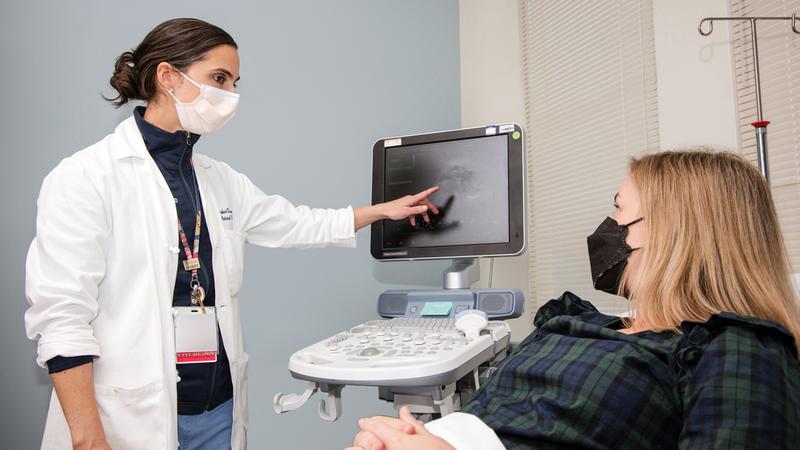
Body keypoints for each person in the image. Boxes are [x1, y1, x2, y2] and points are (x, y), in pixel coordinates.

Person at [24, 18, 439, 450]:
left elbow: (294, 223)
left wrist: (380, 211)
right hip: (127, 416)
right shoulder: (85, 177)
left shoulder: (217, 179)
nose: (230, 96)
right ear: (167, 77)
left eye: (235, 82)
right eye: (218, 79)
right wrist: (89, 440)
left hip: (219, 409)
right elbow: (61, 316)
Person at [348, 150, 800, 450]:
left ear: (674, 233)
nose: (609, 227)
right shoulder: (589, 324)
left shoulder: (735, 347)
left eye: (620, 209)